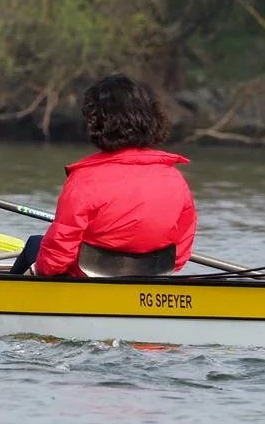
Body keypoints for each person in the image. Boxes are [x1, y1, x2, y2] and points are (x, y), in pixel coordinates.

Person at [12, 75, 197, 277]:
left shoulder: (84, 180)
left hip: (88, 275)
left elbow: (59, 252)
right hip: (153, 274)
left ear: (96, 124)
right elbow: (180, 251)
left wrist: (37, 270)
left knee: (34, 244)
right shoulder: (175, 179)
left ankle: (7, 291)